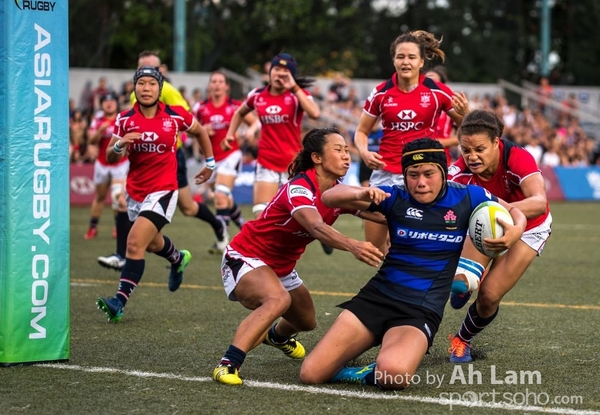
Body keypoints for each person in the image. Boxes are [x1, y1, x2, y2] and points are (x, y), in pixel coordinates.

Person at [299, 138, 526, 390]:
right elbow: (330, 196)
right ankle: (366, 350)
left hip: (419, 311)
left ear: (442, 171)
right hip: (376, 299)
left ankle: (370, 367)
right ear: (404, 175)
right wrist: (360, 193)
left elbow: (515, 212)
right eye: (413, 174)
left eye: (429, 173)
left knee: (393, 375)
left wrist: (516, 231)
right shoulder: (396, 195)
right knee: (311, 373)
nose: (420, 182)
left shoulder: (468, 196)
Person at [212, 127, 385, 386]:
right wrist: (353, 245)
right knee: (277, 300)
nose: (346, 157)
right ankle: (227, 364)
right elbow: (316, 227)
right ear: (317, 158)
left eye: (347, 151)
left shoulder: (338, 192)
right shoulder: (299, 188)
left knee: (306, 321)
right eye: (338, 150)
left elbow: (381, 214)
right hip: (246, 256)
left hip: (281, 268)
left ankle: (277, 337)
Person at [96, 66, 214, 322]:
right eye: (141, 83)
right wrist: (119, 144)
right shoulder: (125, 118)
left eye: (151, 83)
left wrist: (210, 163)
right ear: (134, 88)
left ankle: (119, 301)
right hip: (135, 191)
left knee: (134, 243)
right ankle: (177, 258)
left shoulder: (175, 115)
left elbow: (200, 131)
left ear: (160, 88)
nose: (146, 88)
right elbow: (110, 156)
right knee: (151, 243)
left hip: (164, 189)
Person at [98, 51, 229, 269]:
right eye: (141, 72)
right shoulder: (134, 98)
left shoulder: (168, 91)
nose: (146, 85)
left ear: (161, 73)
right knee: (125, 207)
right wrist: (122, 143)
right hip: (141, 162)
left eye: (151, 73)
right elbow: (119, 140)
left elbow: (188, 120)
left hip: (168, 157)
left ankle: (217, 226)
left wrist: (207, 159)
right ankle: (140, 255)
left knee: (187, 208)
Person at [446, 110, 552, 363]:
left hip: (529, 228)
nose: (472, 157)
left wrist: (498, 209)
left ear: (496, 143)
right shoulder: (457, 172)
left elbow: (539, 202)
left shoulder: (517, 157)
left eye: (480, 149)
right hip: (485, 222)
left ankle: (462, 339)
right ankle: (466, 281)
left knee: (489, 296)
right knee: (462, 284)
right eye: (466, 150)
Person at [353, 30, 469, 254]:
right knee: (374, 247)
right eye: (400, 57)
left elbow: (467, 126)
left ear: (422, 61)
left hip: (420, 174)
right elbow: (361, 132)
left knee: (412, 243)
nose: (405, 62)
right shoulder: (380, 93)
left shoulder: (438, 91)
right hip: (385, 173)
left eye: (411, 57)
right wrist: (365, 153)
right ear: (394, 60)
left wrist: (466, 113)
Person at [193, 71, 258, 251]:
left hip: (231, 155)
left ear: (226, 86)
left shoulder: (235, 107)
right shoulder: (200, 107)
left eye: (221, 81)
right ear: (209, 85)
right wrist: (202, 130)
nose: (217, 84)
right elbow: (189, 130)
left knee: (220, 197)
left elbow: (255, 122)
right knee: (224, 199)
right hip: (211, 159)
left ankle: (222, 239)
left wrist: (250, 131)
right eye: (213, 81)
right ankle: (245, 227)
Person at [83, 93, 127, 241]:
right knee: (100, 196)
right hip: (102, 162)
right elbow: (91, 141)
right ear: (101, 105)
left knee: (116, 195)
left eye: (112, 101)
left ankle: (118, 227)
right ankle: (93, 227)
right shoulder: (97, 121)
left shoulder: (122, 119)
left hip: (120, 163)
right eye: (106, 101)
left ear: (116, 103)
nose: (109, 104)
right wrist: (101, 130)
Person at [425, 65, 459, 165]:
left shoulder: (450, 108)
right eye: (426, 81)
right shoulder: (414, 105)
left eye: (434, 82)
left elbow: (462, 135)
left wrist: (439, 143)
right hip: (416, 154)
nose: (429, 85)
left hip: (441, 156)